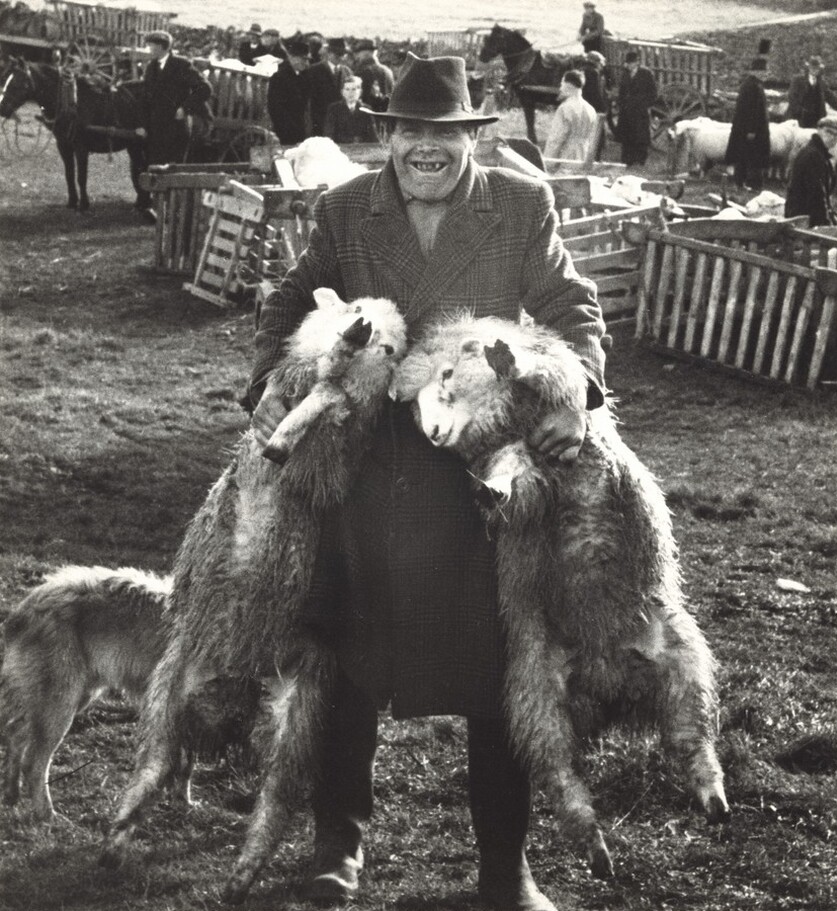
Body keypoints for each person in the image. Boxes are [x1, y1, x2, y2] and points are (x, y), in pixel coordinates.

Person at [247, 52, 606, 911]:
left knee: (502, 672)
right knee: (342, 661)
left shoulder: (521, 204)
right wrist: (268, 379)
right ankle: (338, 845)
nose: (426, 149)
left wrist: (577, 395)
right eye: (410, 132)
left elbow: (570, 308)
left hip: (478, 486)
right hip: (365, 482)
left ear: (469, 137)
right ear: (388, 135)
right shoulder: (344, 210)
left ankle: (503, 869)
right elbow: (288, 302)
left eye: (444, 133)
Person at [137, 30, 212, 166]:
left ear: (161, 46)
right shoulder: (151, 68)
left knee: (173, 170)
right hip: (155, 130)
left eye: (151, 45)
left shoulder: (181, 65)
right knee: (154, 170)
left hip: (176, 129)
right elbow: (145, 98)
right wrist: (142, 125)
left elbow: (205, 88)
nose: (149, 49)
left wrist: (185, 109)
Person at [785, 114, 837, 226]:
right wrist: (826, 224)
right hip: (804, 218)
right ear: (819, 130)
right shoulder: (813, 156)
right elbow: (817, 194)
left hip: (805, 215)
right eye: (829, 132)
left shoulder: (819, 153)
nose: (833, 137)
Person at [725, 57, 770, 191]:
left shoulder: (755, 84)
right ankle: (749, 183)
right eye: (764, 71)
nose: (766, 73)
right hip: (751, 130)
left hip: (754, 128)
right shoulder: (751, 86)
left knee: (747, 155)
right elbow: (750, 109)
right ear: (756, 71)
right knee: (749, 156)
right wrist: (751, 130)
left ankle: (744, 183)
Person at [544, 69, 598, 168]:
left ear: (568, 85)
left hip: (567, 156)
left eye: (562, 84)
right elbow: (593, 138)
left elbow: (556, 138)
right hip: (584, 156)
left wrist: (548, 162)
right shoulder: (591, 109)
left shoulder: (565, 108)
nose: (560, 88)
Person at [267, 39, 313, 145]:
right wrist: (288, 129)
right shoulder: (279, 78)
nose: (306, 63)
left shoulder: (306, 77)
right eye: (303, 59)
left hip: (302, 130)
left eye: (307, 60)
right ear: (292, 57)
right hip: (285, 132)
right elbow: (275, 108)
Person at [616, 49, 657, 166]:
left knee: (641, 135)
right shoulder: (625, 73)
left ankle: (640, 159)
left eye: (631, 63)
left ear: (637, 62)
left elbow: (653, 92)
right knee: (627, 135)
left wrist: (645, 105)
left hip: (640, 110)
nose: (628, 65)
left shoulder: (646, 73)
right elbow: (622, 91)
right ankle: (627, 159)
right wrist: (621, 104)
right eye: (627, 63)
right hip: (627, 110)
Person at [308, 37, 353, 136]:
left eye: (343, 54)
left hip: (341, 123)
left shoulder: (347, 72)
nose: (341, 57)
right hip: (321, 121)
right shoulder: (314, 71)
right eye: (337, 53)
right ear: (328, 53)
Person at [785, 55, 837, 129]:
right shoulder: (797, 80)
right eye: (813, 67)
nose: (815, 70)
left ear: (820, 69)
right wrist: (800, 112)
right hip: (798, 119)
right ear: (808, 68)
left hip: (816, 119)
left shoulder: (822, 83)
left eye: (817, 68)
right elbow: (792, 98)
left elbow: (830, 96)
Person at [324, 74, 378, 143]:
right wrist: (351, 140)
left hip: (362, 149)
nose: (350, 93)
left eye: (354, 89)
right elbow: (329, 135)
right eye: (347, 89)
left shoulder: (367, 109)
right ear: (342, 92)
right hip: (340, 148)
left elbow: (373, 135)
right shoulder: (334, 109)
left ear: (360, 92)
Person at [352, 38, 394, 112]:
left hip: (368, 115)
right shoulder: (388, 71)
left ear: (365, 53)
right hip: (387, 116)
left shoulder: (362, 71)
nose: (357, 57)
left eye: (358, 53)